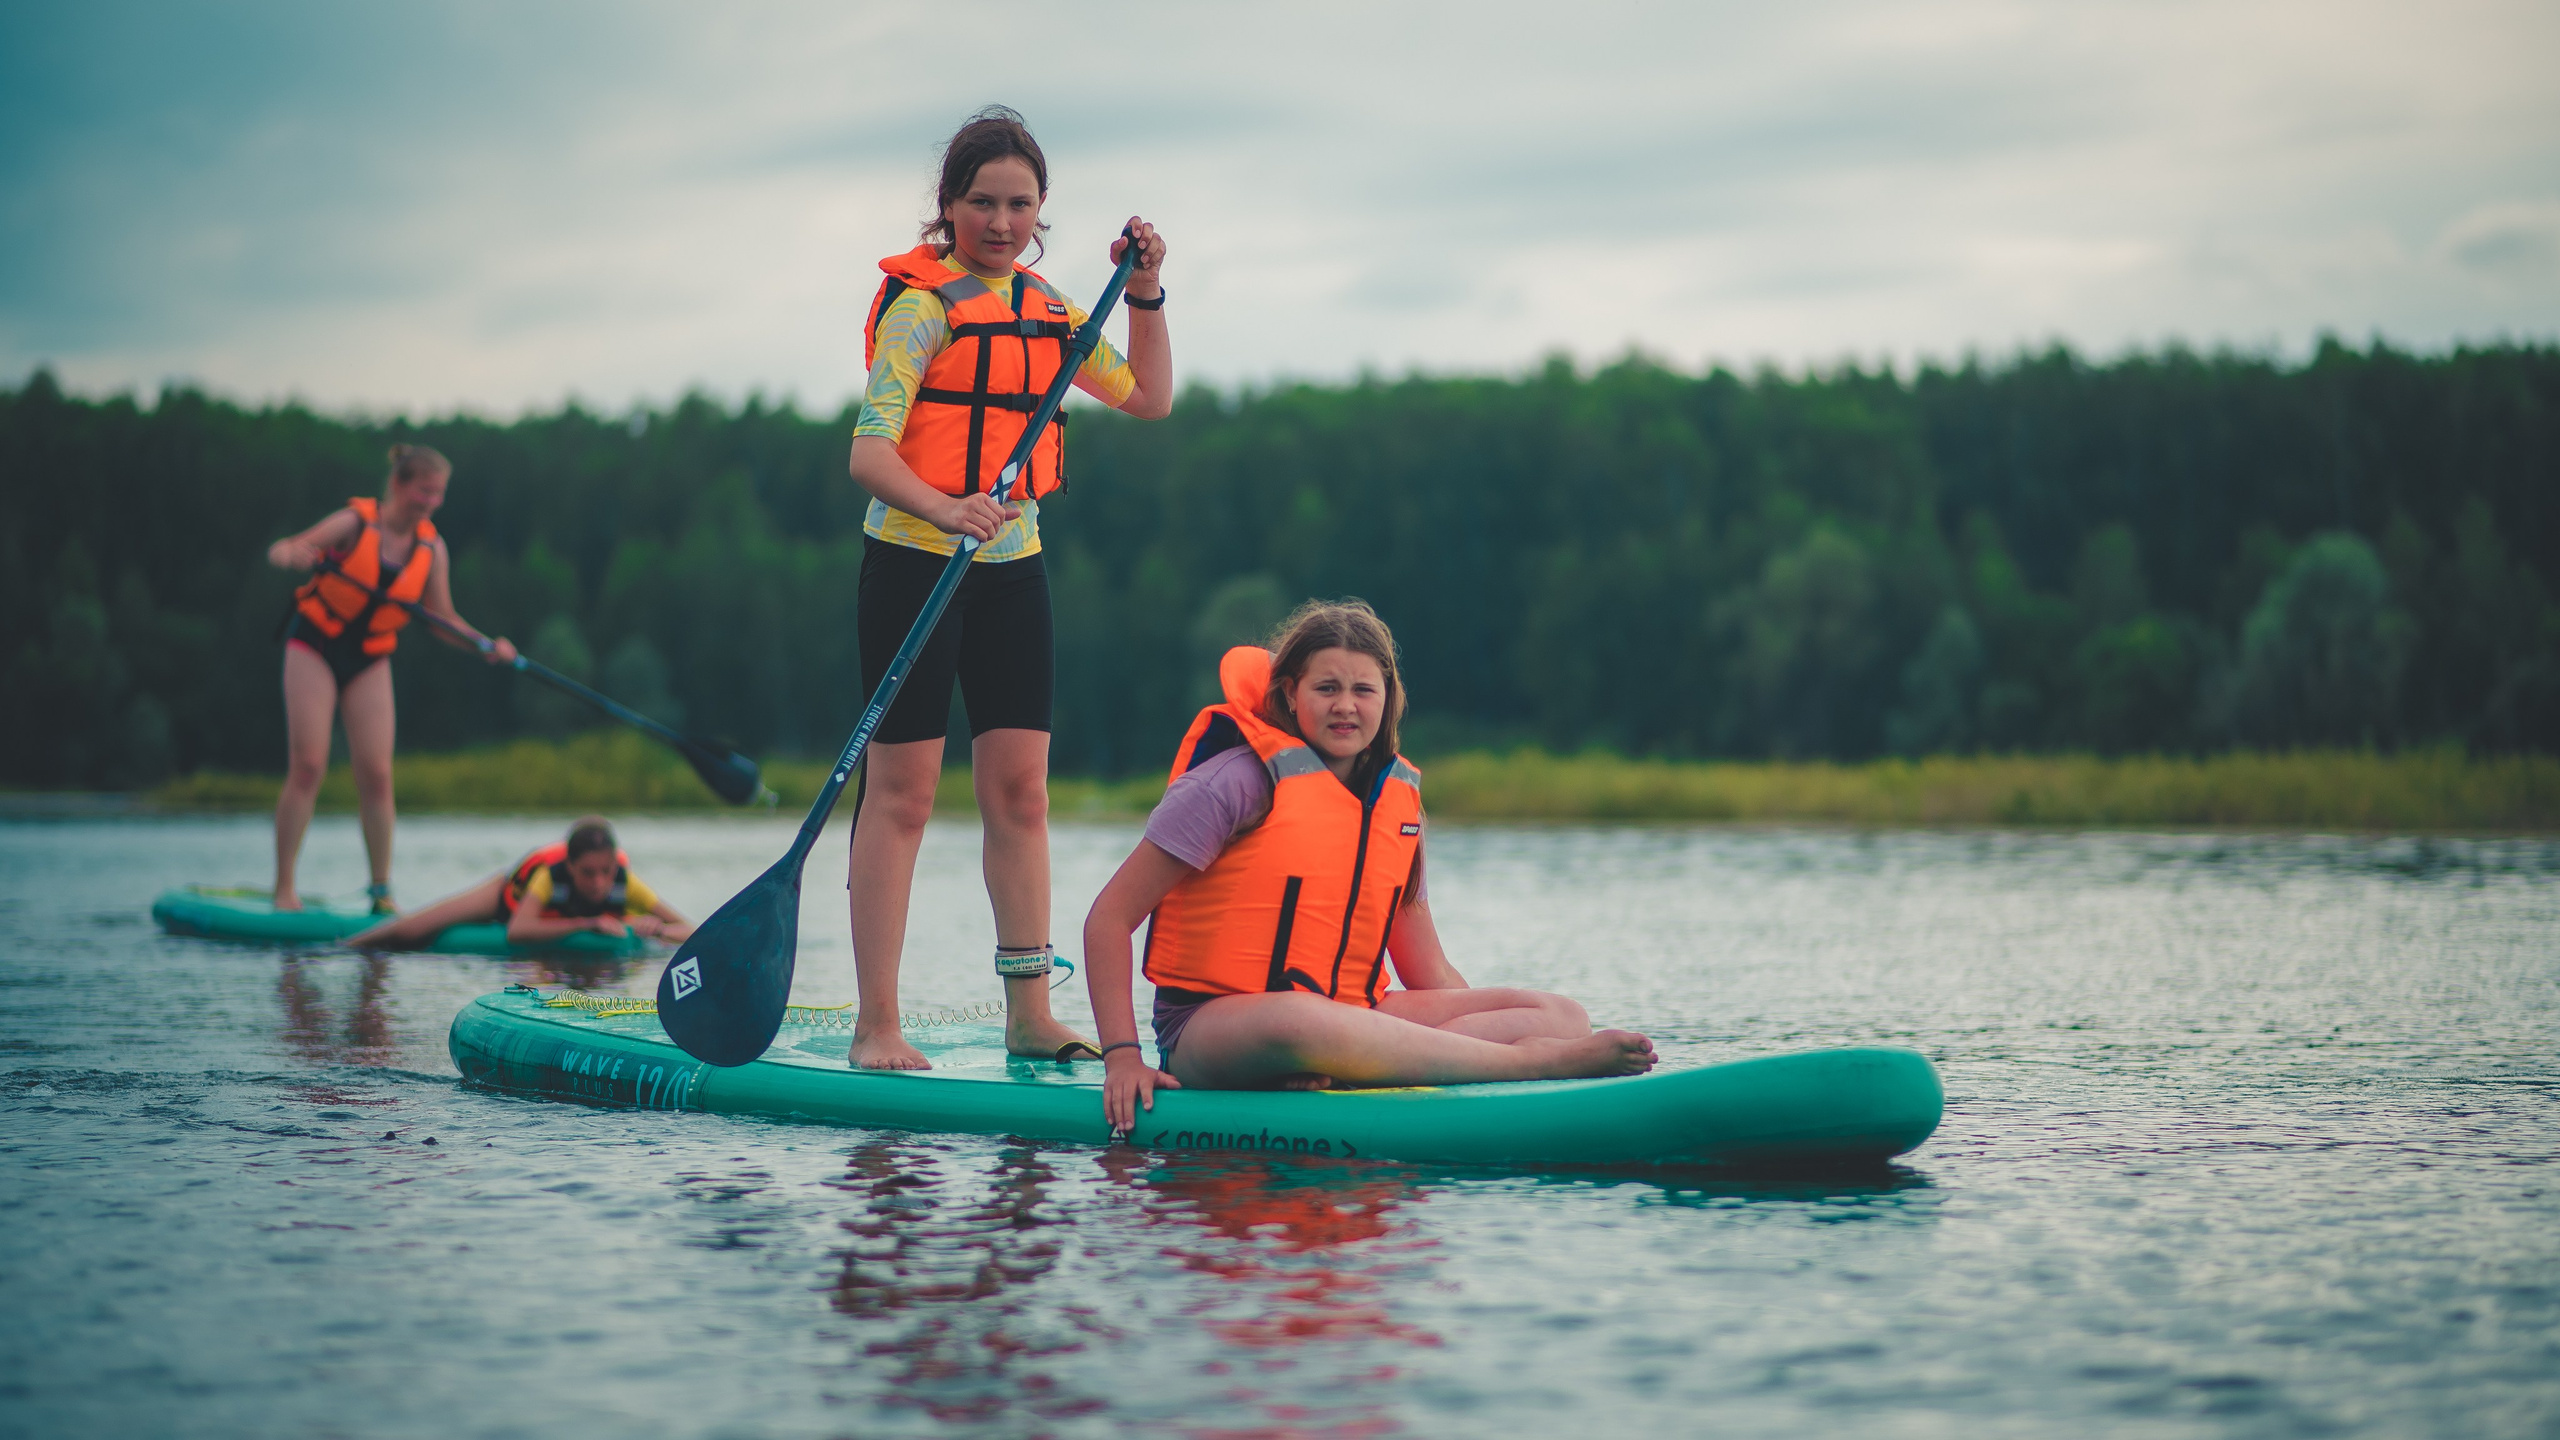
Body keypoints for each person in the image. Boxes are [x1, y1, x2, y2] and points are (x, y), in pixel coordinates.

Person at [842, 105, 1173, 1069]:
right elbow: (869, 455)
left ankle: (1029, 1015)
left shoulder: (1055, 311)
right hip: (915, 565)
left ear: (1041, 212)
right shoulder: (922, 310)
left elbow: (1150, 398)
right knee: (902, 796)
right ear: (949, 205)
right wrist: (945, 508)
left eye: (1020, 205)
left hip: (1012, 570)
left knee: (1022, 794)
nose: (1000, 222)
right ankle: (877, 1025)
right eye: (982, 202)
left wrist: (1145, 292)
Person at [1082, 601, 1656, 1132]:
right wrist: (1123, 1058)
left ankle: (1374, 1064)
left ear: (1389, 698)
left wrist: (1480, 1040)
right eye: (1326, 687)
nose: (1346, 706)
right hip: (1212, 1028)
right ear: (1290, 692)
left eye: (1363, 689)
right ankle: (1533, 1064)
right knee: (1301, 1021)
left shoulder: (1393, 805)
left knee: (1559, 1013)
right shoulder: (1229, 784)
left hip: (1351, 1017)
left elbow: (1429, 972)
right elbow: (1108, 919)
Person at [266, 445, 517, 913]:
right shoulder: (353, 523)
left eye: (439, 493)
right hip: (315, 644)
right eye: (424, 491)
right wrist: (290, 555)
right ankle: (284, 888)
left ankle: (381, 893)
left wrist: (486, 645)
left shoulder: (432, 549)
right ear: (399, 484)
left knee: (378, 776)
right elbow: (284, 548)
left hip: (369, 657)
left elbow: (444, 620)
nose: (432, 502)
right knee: (309, 766)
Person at [345, 816, 692, 951]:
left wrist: (658, 929)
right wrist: (589, 923)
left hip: (557, 920)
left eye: (606, 871)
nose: (599, 882)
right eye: (588, 872)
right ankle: (346, 946)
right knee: (411, 931)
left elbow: (692, 931)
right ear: (570, 865)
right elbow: (518, 930)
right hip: (500, 900)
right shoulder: (549, 876)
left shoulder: (626, 882)